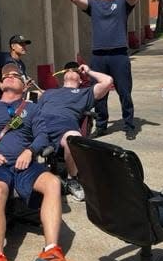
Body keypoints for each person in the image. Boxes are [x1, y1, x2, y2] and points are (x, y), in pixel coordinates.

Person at [0, 62, 77, 261]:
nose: (8, 76)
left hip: (25, 164)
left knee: (53, 183)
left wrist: (30, 150)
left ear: (25, 85)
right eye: (5, 74)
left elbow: (42, 136)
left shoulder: (32, 109)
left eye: (15, 75)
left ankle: (51, 251)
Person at [69, 0, 141, 140]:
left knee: (124, 92)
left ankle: (129, 126)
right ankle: (101, 125)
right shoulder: (94, 5)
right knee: (99, 93)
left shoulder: (123, 3)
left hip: (119, 55)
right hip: (99, 55)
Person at [36, 62, 113, 201]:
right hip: (39, 128)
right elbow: (33, 111)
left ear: (81, 79)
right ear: (63, 76)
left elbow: (108, 81)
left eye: (76, 71)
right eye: (68, 70)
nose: (71, 71)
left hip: (64, 131)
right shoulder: (49, 93)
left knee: (73, 138)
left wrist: (88, 71)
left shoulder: (85, 93)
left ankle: (73, 180)